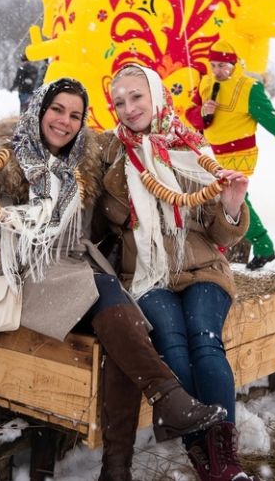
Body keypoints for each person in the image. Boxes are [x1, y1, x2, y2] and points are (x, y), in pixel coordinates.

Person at [0, 77, 226, 481]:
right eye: (57, 110)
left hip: (76, 274)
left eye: (75, 115)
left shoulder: (83, 169)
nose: (65, 122)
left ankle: (118, 467)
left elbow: (112, 215)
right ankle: (165, 398)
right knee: (112, 299)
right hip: (21, 274)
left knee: (122, 326)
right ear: (38, 109)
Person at [94, 64, 259, 481]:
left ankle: (224, 456)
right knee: (171, 344)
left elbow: (222, 233)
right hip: (148, 275)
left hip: (202, 268)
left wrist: (232, 205)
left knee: (204, 340)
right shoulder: (109, 155)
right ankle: (200, 453)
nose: (129, 109)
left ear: (155, 95)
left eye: (136, 97)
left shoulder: (191, 147)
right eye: (119, 102)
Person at [186, 41, 275, 271]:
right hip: (214, 155)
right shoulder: (205, 82)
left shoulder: (249, 87)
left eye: (222, 65)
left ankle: (262, 246)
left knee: (236, 200)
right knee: (222, 201)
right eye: (213, 65)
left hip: (239, 155)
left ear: (233, 64)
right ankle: (229, 248)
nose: (217, 70)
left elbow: (272, 119)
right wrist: (202, 113)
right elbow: (191, 115)